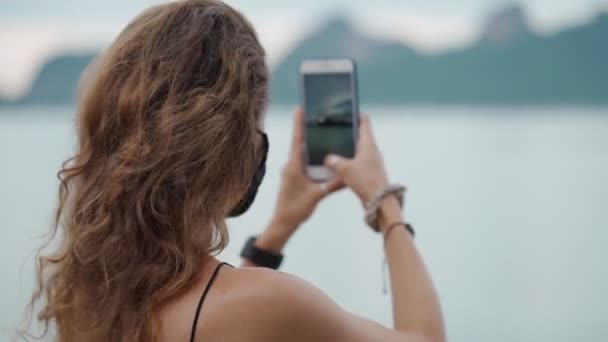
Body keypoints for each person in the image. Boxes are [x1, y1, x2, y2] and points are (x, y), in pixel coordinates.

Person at [21, 1, 445, 341]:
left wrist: (279, 228)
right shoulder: (269, 303)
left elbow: (215, 308)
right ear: (236, 154)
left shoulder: (92, 291)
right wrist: (383, 200)